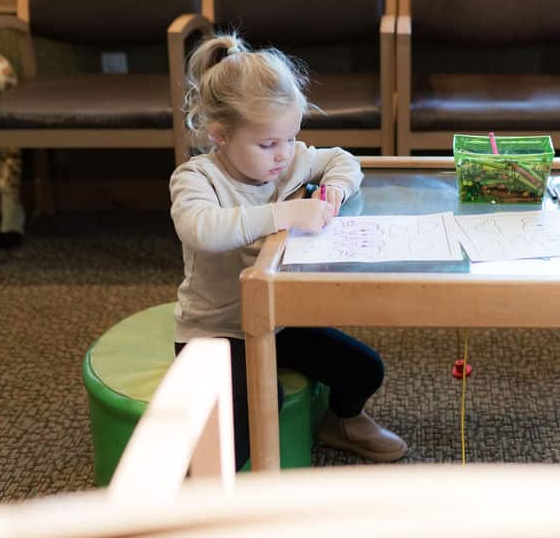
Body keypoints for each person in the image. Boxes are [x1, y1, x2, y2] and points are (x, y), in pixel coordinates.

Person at [170, 32, 407, 465]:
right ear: (221, 135)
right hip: (217, 331)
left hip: (276, 321)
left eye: (291, 137)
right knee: (259, 404)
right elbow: (199, 229)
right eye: (267, 144)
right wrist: (283, 215)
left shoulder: (289, 157)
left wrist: (334, 189)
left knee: (364, 369)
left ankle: (341, 422)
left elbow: (343, 160)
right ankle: (201, 494)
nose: (284, 154)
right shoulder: (197, 177)